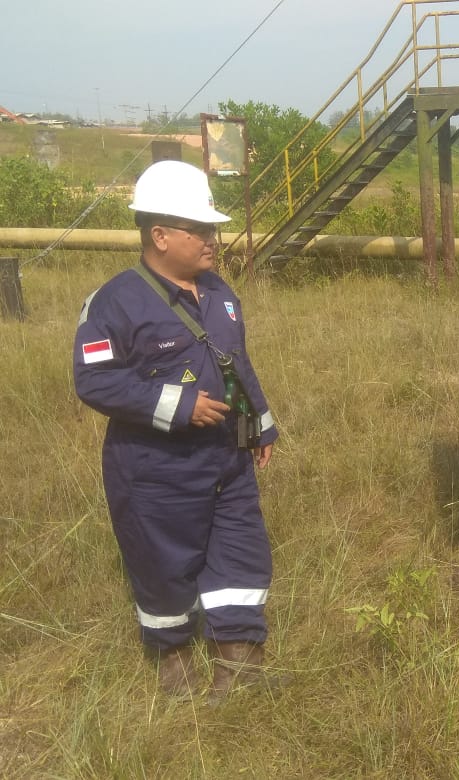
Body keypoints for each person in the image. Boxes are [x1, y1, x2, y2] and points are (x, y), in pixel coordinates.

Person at [73, 160, 279, 699]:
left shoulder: (221, 295)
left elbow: (238, 363)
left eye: (213, 228)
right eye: (201, 230)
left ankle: (238, 655)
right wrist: (179, 405)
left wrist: (261, 423)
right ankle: (175, 656)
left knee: (239, 548)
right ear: (159, 235)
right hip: (154, 468)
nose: (214, 239)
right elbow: (94, 382)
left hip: (226, 459)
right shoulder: (113, 304)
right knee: (163, 559)